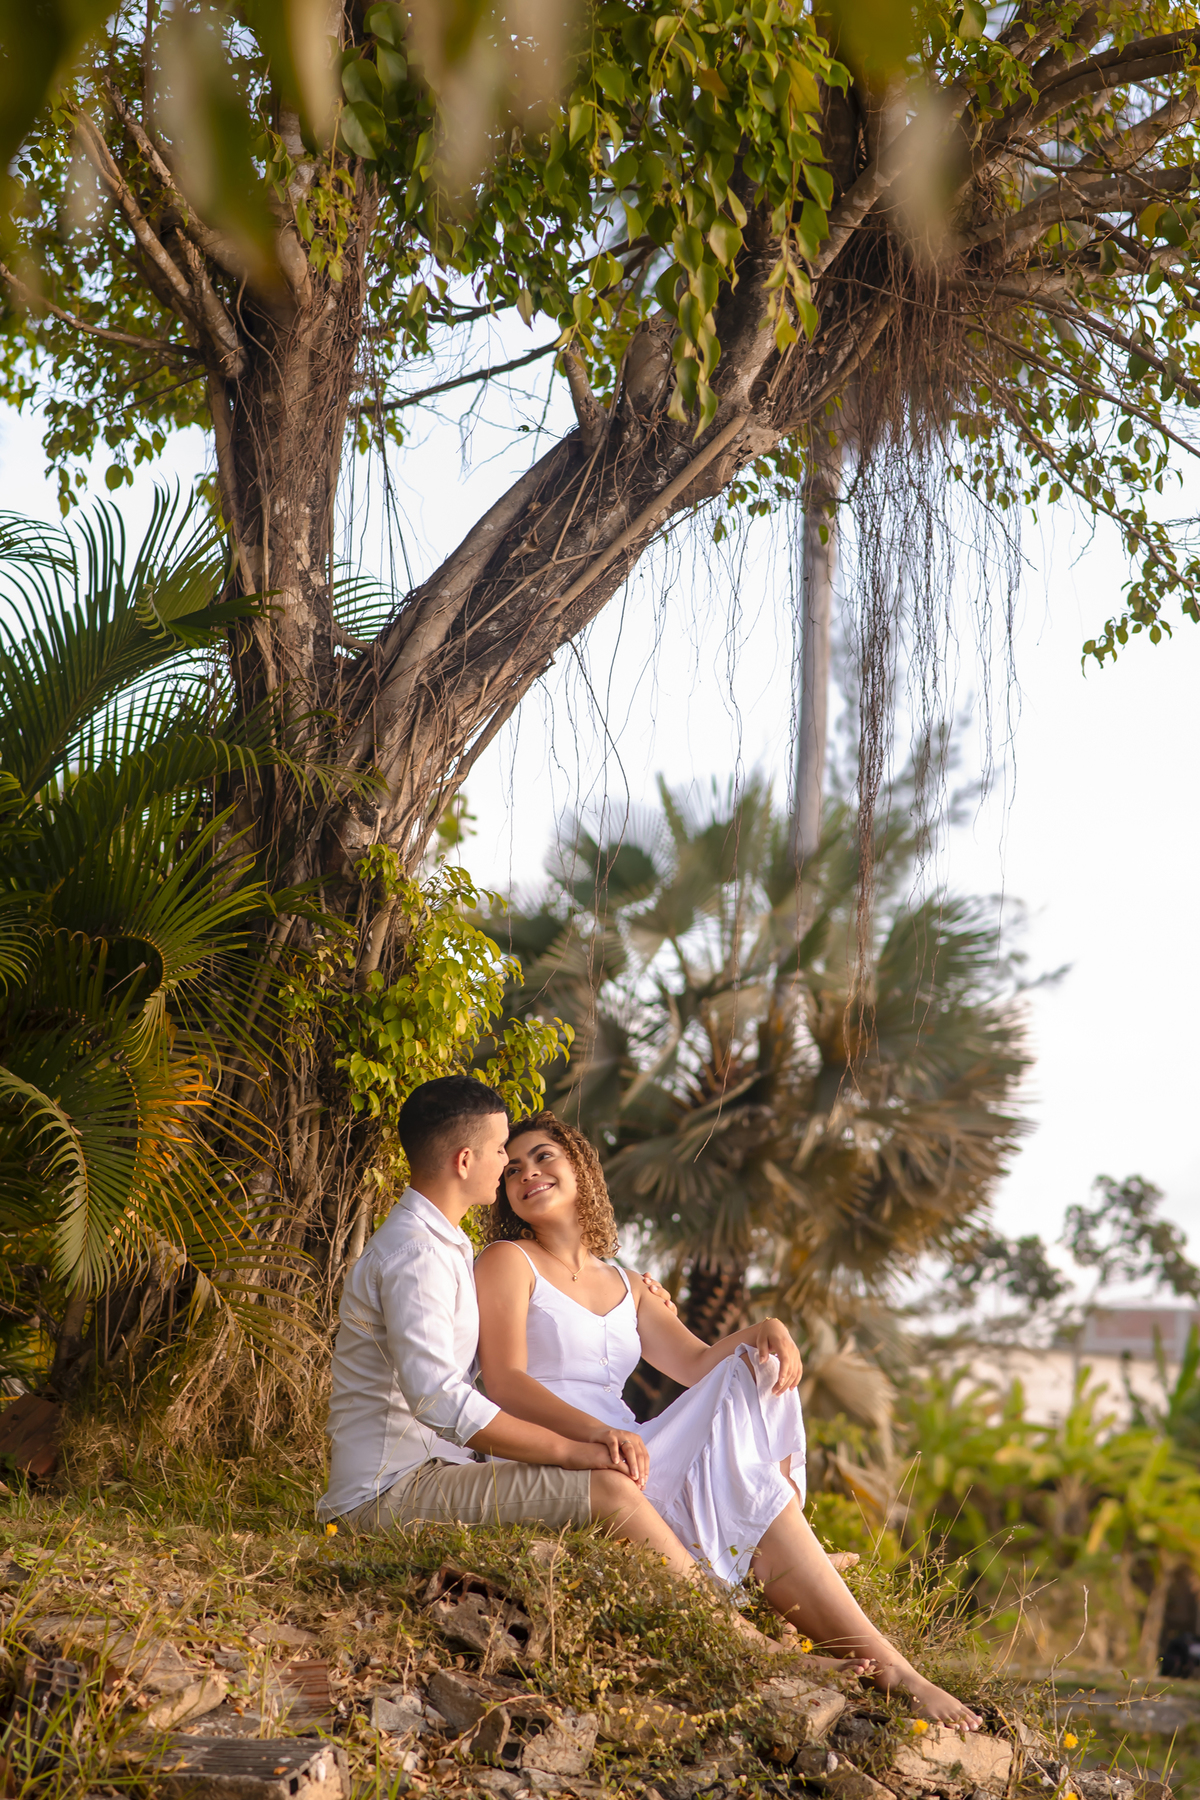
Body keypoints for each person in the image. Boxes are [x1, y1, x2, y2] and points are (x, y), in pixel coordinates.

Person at [473, 1110, 980, 1728]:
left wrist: (769, 1330)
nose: (529, 1173)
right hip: (561, 1447)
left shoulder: (628, 1284)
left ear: (579, 1164)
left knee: (750, 1370)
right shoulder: (506, 1260)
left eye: (544, 1156)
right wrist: (594, 1434)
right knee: (745, 1477)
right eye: (514, 1168)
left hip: (630, 1445)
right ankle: (866, 1655)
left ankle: (893, 1666)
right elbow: (504, 1382)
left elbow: (695, 1364)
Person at [317, 1076, 722, 1570]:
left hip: (440, 1471)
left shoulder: (446, 1246)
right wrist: (571, 1450)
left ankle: (738, 1576)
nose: (507, 1166)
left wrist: (640, 1298)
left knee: (641, 1477)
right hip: (388, 1494)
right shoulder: (417, 1254)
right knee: (610, 1491)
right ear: (465, 1161)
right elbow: (438, 1399)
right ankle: (741, 1635)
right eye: (499, 1154)